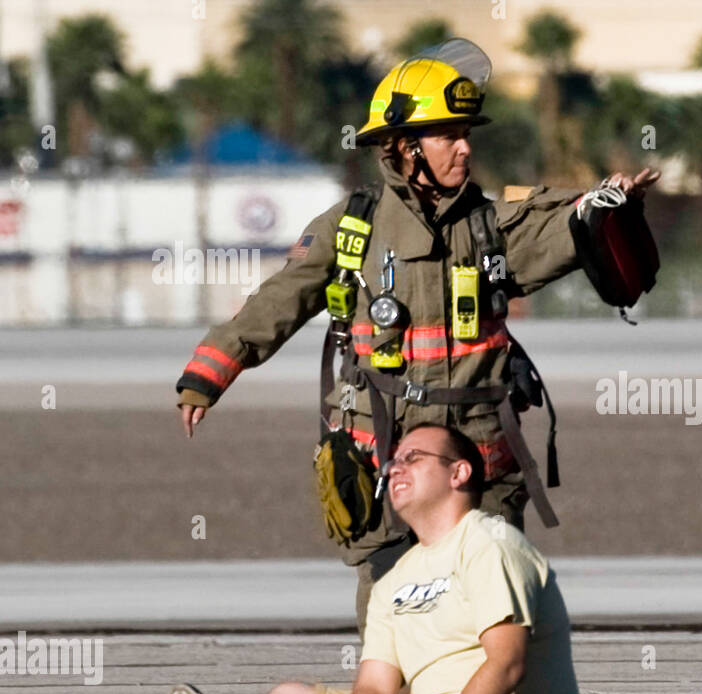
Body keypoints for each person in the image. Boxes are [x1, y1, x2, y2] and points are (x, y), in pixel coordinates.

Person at [173, 38, 660, 632]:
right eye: (447, 135)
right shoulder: (350, 226)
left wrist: (603, 209)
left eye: (467, 134)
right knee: (393, 617)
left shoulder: (490, 223)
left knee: (496, 610)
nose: (464, 148)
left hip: (479, 454)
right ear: (403, 148)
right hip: (383, 456)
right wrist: (210, 371)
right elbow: (282, 297)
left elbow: (559, 230)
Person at [116, 422, 582, 694]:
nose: (396, 467)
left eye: (414, 458)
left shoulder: (490, 544)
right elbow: (375, 685)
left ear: (458, 473)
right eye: (394, 460)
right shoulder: (394, 579)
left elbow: (506, 664)